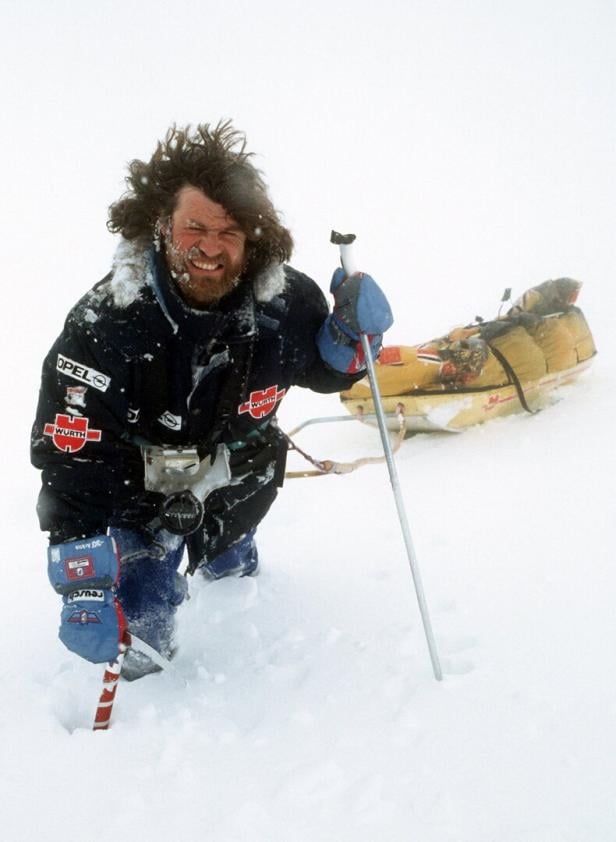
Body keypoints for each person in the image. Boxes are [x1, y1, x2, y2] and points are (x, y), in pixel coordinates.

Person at [31, 122, 393, 679]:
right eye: (193, 226)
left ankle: (229, 564)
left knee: (231, 564)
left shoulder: (287, 302)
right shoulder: (103, 327)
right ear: (161, 224)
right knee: (142, 641)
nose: (209, 246)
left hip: (242, 480)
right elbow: (71, 457)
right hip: (139, 500)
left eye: (229, 231)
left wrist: (348, 346)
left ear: (253, 239)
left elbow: (319, 371)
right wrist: (82, 582)